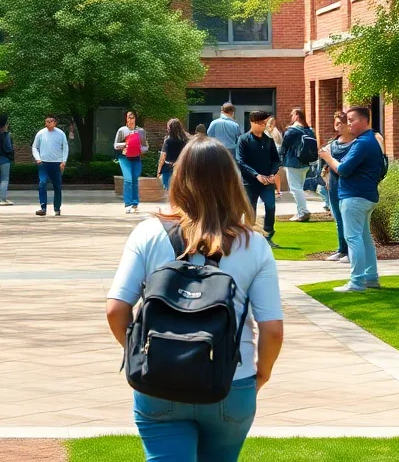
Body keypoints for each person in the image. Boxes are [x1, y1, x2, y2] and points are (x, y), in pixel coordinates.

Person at [105, 139, 285, 462]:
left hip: (158, 379)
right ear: (231, 181)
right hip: (231, 381)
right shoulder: (254, 245)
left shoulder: (147, 234)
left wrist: (140, 353)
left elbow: (116, 309)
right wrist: (261, 375)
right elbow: (271, 329)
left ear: (179, 177)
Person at [319, 106, 386, 292]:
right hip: (367, 195)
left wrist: (327, 157)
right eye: (347, 120)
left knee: (353, 238)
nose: (349, 124)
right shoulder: (370, 140)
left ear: (364, 121)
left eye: (351, 120)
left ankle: (357, 282)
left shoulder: (362, 143)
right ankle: (371, 277)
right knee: (364, 237)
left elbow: (343, 169)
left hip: (354, 196)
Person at [234, 111, 281, 246]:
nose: (263, 126)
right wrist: (256, 175)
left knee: (270, 205)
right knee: (250, 209)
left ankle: (268, 234)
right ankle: (250, 237)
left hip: (267, 181)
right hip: (250, 181)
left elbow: (276, 160)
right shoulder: (244, 140)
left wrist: (272, 173)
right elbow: (240, 161)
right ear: (252, 122)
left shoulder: (268, 140)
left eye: (265, 123)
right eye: (260, 123)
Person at [320, 111, 351, 263]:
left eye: (340, 123)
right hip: (333, 184)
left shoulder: (355, 144)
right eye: (336, 123)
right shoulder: (333, 144)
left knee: (349, 219)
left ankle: (351, 252)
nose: (338, 126)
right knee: (338, 218)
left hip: (348, 185)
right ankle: (342, 250)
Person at [279, 108, 316, 222]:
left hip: (293, 163)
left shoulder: (292, 131)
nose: (291, 117)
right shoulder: (309, 130)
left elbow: (284, 147)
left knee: (295, 189)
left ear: (296, 116)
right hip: (306, 163)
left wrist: (279, 160)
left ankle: (303, 211)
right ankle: (301, 210)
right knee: (299, 188)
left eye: (292, 115)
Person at [32, 114, 69, 216]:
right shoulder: (41, 133)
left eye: (51, 121)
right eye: (47, 121)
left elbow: (65, 147)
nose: (49, 123)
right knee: (42, 183)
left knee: (57, 185)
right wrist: (37, 158)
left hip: (56, 163)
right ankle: (43, 207)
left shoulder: (60, 134)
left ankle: (57, 207)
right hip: (43, 163)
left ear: (55, 123)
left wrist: (64, 161)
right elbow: (35, 147)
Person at [115, 110, 148, 214]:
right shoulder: (122, 130)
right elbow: (115, 145)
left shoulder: (141, 131)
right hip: (124, 157)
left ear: (135, 119)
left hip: (136, 157)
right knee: (128, 179)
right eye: (129, 117)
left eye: (132, 117)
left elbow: (146, 146)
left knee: (134, 179)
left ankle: (135, 203)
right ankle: (127, 204)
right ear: (126, 119)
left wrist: (139, 149)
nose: (130, 120)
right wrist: (126, 144)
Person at [156, 118, 188, 189]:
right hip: (180, 168)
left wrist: (159, 171)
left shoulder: (168, 141)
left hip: (167, 168)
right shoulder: (184, 141)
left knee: (168, 190)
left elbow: (163, 157)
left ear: (170, 128)